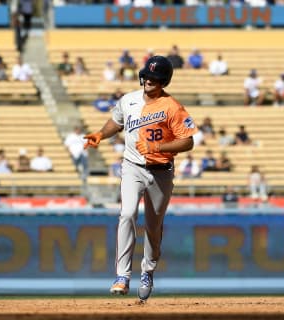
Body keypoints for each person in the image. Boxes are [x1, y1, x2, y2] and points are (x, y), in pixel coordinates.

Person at [83, 55, 197, 302]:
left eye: (155, 77)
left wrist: (158, 148)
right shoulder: (128, 100)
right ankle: (122, 276)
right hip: (132, 166)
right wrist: (101, 135)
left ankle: (148, 270)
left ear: (164, 80)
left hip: (161, 171)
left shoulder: (173, 107)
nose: (149, 80)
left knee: (153, 227)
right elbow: (117, 122)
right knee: (127, 214)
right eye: (147, 75)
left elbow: (188, 141)